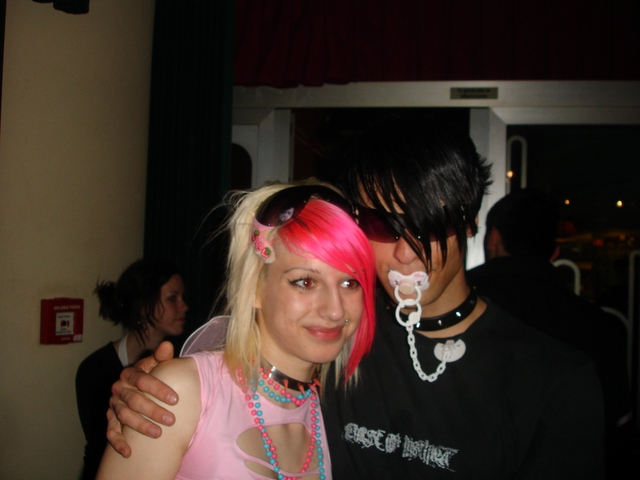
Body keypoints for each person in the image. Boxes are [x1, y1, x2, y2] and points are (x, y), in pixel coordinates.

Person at [106, 117, 605, 479]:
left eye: (432, 224)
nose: (407, 252)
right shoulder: (340, 337)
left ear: (471, 223)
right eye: (383, 225)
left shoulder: (554, 381)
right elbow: (244, 368)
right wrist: (154, 388)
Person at [96, 183, 377, 479]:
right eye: (305, 282)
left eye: (350, 283)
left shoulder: (341, 410)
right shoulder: (180, 392)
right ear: (254, 289)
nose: (335, 310)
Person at [466, 188, 632, 477]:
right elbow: (615, 436)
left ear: (492, 237)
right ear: (554, 252)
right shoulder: (599, 325)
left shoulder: (455, 307)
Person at [75, 258, 187, 480]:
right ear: (143, 305)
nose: (184, 306)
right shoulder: (95, 369)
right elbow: (100, 445)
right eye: (173, 298)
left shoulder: (184, 363)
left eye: (182, 298)